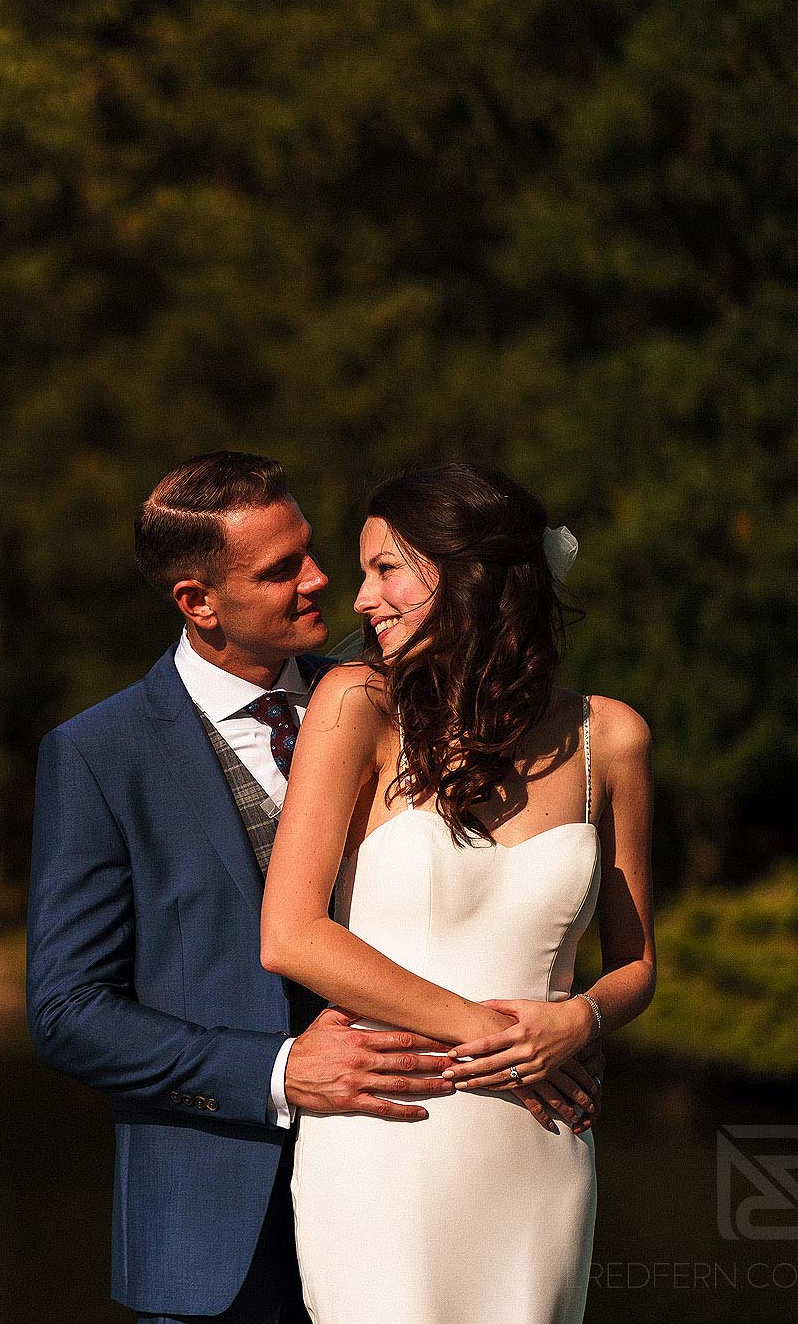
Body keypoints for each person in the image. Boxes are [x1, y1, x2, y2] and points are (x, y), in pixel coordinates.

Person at [26, 453, 603, 1324]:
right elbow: (67, 1011)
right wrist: (279, 1068)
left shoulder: (416, 697)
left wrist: (561, 1017)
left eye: (310, 549)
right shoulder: (102, 755)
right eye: (281, 568)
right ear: (197, 601)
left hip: (431, 1167)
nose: (322, 579)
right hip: (219, 1228)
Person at [260, 463, 656, 1324]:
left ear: (469, 573)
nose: (360, 600)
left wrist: (579, 1020)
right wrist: (496, 1034)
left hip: (540, 1140)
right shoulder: (353, 702)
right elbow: (290, 934)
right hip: (390, 1126)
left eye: (386, 569)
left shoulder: (610, 737)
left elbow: (635, 964)